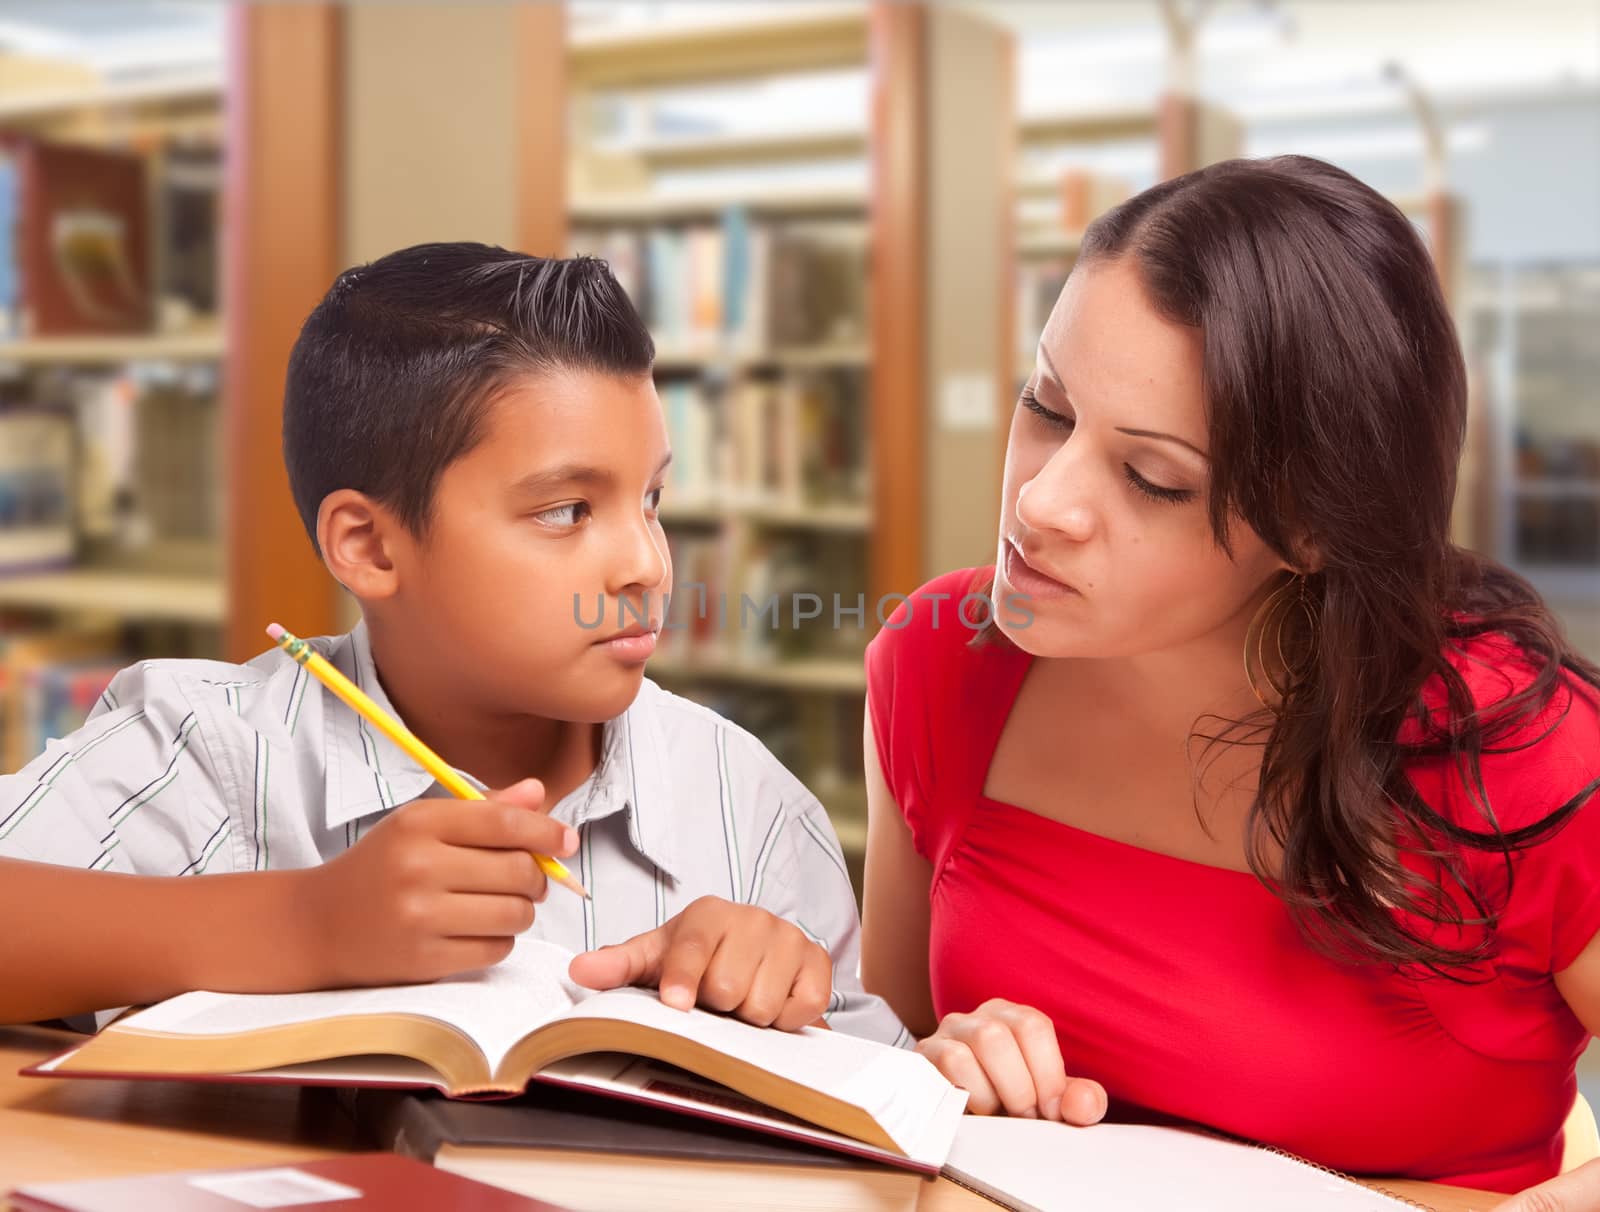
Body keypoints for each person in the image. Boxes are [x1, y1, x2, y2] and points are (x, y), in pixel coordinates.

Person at [859, 156, 1600, 1206]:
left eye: (1152, 477)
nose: (1040, 505)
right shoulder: (939, 658)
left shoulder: (1519, 751)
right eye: (1049, 407)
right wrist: (940, 1070)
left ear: (1308, 526)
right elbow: (881, 1061)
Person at [0, 243, 902, 1048]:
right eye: (566, 511)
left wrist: (788, 1001)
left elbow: (895, 1099)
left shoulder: (751, 809)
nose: (648, 564)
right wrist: (306, 924)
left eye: (652, 500)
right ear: (369, 546)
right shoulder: (209, 748)